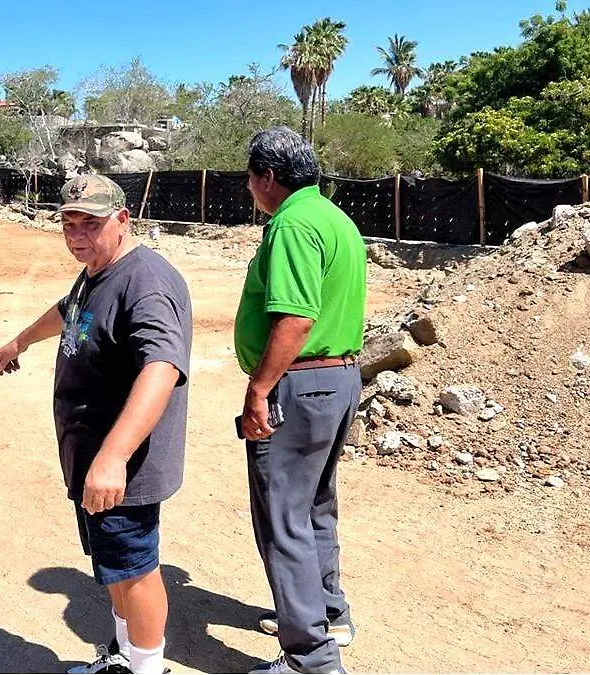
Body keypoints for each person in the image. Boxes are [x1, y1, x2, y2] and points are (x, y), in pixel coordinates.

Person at [0, 174, 192, 675]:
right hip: (91, 457)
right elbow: (70, 312)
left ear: (123, 220)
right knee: (113, 565)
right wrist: (20, 342)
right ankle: (124, 657)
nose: (78, 235)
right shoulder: (96, 273)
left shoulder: (145, 281)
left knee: (136, 566)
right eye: (69, 223)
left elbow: (162, 367)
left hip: (122, 464)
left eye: (92, 224)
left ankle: (148, 668)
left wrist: (113, 456)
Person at [233, 128, 366, 675]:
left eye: (250, 177)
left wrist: (259, 389)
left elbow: (295, 318)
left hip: (299, 384)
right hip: (338, 381)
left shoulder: (290, 224)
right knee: (314, 507)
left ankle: (309, 657)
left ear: (267, 176)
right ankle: (328, 612)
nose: (248, 188)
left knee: (283, 517)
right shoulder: (335, 219)